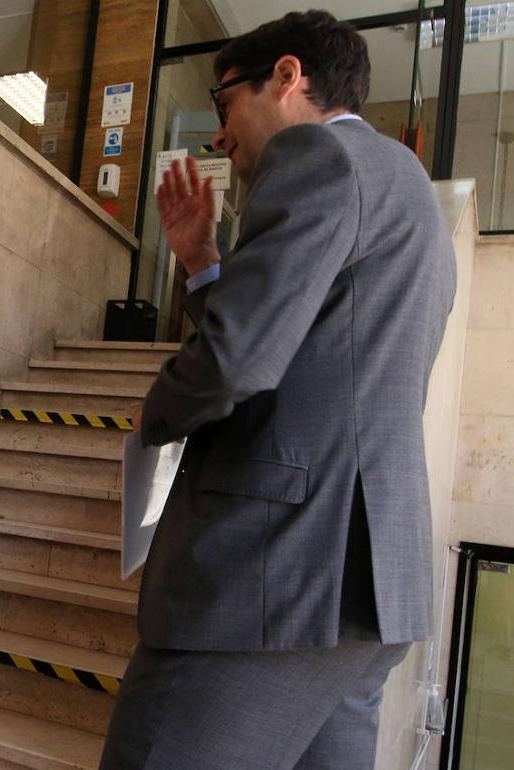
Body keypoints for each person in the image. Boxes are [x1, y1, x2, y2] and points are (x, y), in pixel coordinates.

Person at [100, 11, 455, 770]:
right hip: (367, 590)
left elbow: (238, 360)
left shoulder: (316, 156)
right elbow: (311, 351)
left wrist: (153, 412)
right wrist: (201, 260)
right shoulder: (409, 191)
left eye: (224, 103)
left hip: (275, 581)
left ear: (288, 78)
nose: (221, 136)